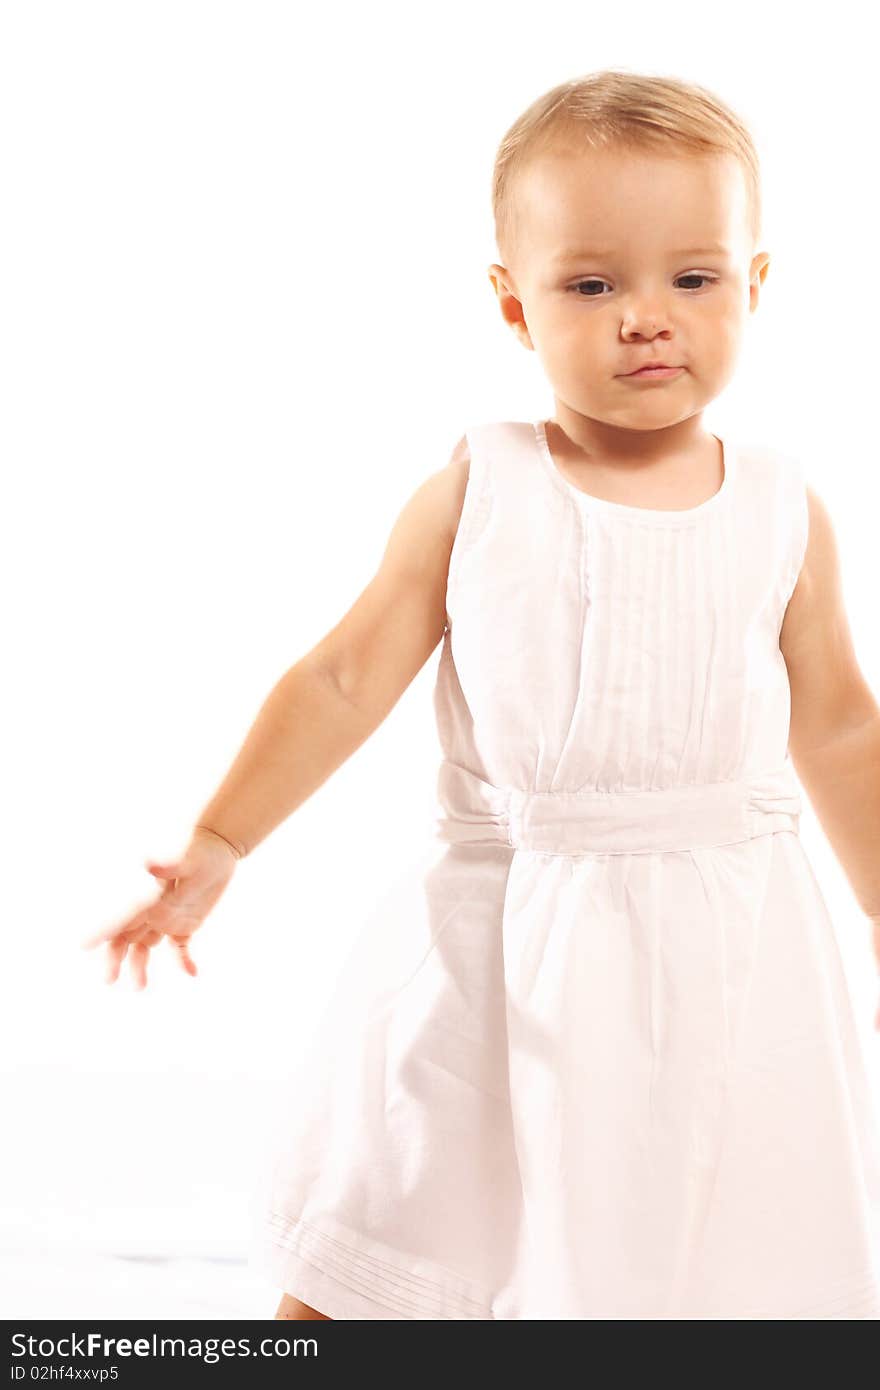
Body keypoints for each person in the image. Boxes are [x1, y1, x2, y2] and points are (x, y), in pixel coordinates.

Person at [83, 69, 880, 1320]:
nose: (644, 319)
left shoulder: (779, 505)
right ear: (513, 306)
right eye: (590, 283)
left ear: (755, 287)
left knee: (682, 1227)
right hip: (503, 923)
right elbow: (346, 673)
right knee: (401, 1207)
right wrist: (221, 839)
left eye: (692, 277)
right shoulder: (482, 487)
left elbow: (835, 718)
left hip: (722, 931)